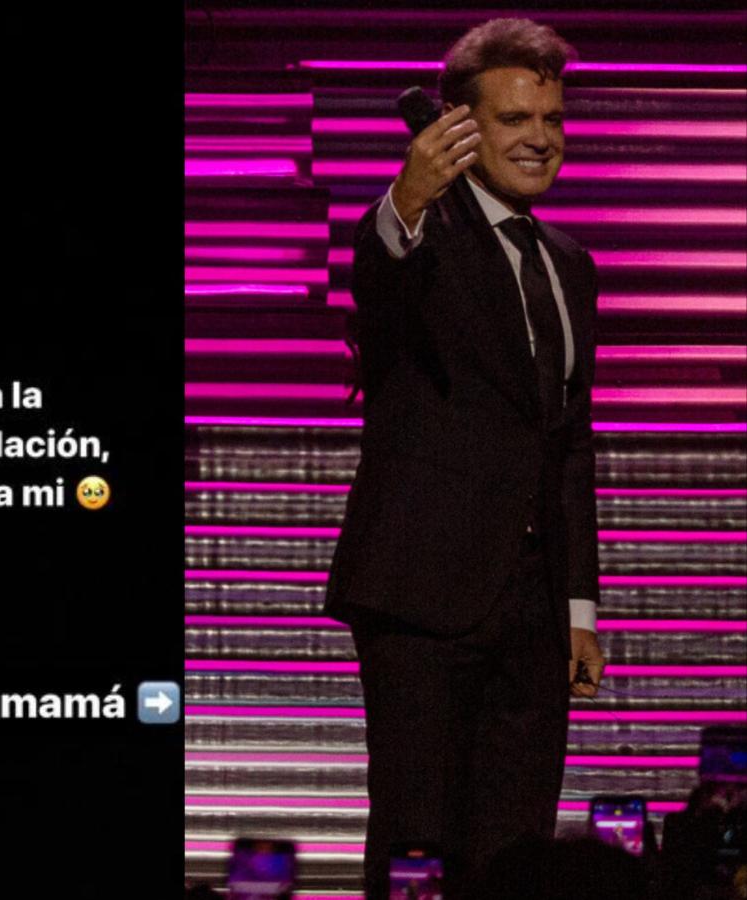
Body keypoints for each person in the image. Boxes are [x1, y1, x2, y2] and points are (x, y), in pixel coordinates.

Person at [321, 18, 607, 899]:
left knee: (516, 844)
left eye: (551, 118)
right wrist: (405, 199)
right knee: (417, 837)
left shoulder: (569, 263)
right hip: (422, 592)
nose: (540, 138)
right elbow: (380, 283)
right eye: (514, 118)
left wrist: (577, 606)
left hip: (533, 606)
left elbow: (566, 444)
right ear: (458, 125)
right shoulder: (418, 231)